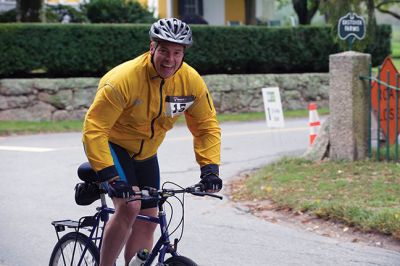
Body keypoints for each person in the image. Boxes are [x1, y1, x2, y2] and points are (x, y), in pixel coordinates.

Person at [82, 18, 222, 266]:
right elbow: (94, 130)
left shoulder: (191, 82)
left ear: (183, 54)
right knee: (130, 206)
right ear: (152, 48)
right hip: (115, 146)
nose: (170, 59)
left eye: (177, 52)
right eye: (164, 51)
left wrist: (209, 169)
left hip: (147, 155)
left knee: (149, 218)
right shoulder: (122, 80)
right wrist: (111, 176)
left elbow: (206, 127)